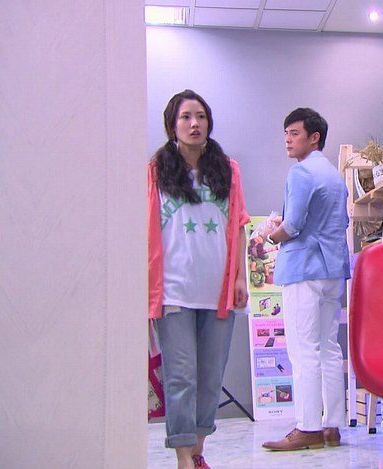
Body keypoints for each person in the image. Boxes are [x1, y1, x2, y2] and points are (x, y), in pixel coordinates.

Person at [148, 89, 250, 469]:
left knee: (209, 379)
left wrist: (239, 278)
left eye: (201, 116)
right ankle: (183, 460)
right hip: (173, 292)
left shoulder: (228, 169)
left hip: (217, 293)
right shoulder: (156, 171)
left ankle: (197, 452)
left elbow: (239, 225)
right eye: (186, 117)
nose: (195, 124)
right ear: (172, 125)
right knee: (180, 379)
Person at [261, 108, 350, 451]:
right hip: (333, 269)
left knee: (302, 349)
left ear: (314, 137)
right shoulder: (334, 175)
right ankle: (332, 426)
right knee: (329, 347)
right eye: (286, 133)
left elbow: (293, 226)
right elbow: (339, 222)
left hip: (304, 268)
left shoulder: (300, 172)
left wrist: (270, 235)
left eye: (294, 133)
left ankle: (307, 426)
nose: (287, 139)